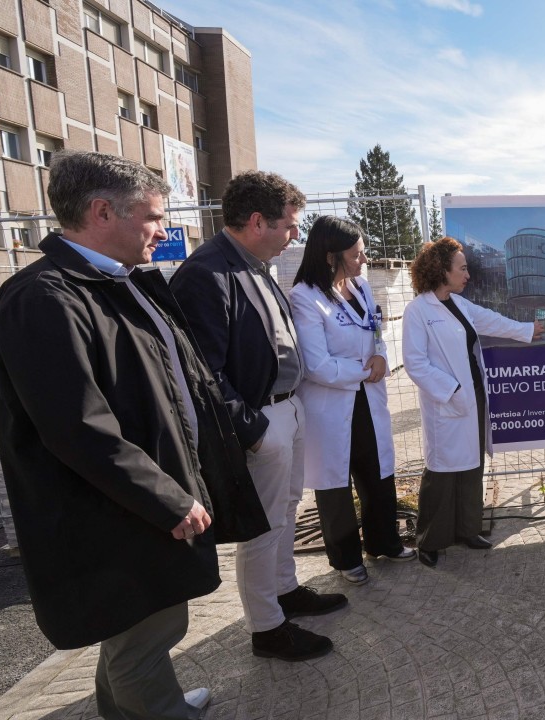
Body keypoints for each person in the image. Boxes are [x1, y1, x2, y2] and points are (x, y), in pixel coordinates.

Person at [0, 151, 259, 719]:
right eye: (154, 216)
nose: (164, 230)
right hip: (115, 507)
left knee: (139, 625)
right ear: (102, 212)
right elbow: (78, 428)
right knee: (144, 628)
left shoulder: (117, 283)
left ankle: (131, 707)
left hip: (143, 493)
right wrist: (165, 498)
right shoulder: (45, 297)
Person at [171, 170, 348, 662]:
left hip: (286, 409)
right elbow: (202, 370)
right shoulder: (207, 273)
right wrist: (252, 430)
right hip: (261, 421)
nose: (295, 234)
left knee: (287, 509)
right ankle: (267, 628)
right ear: (256, 222)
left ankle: (285, 590)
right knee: (263, 527)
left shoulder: (253, 265)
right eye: (289, 225)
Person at [289, 216, 415, 585]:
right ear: (331, 257)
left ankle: (384, 542)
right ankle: (345, 557)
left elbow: (375, 332)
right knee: (335, 483)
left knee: (377, 472)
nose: (364, 259)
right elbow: (317, 364)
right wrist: (365, 368)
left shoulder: (360, 286)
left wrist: (381, 356)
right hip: (331, 403)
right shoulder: (305, 297)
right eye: (356, 254)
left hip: (367, 398)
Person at [403, 237, 538, 567]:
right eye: (462, 269)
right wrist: (450, 391)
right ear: (442, 270)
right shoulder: (418, 310)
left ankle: (468, 530)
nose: (467, 275)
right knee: (441, 472)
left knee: (472, 464)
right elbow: (415, 363)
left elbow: (491, 320)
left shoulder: (460, 304)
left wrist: (528, 330)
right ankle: (430, 540)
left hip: (474, 396)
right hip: (446, 400)